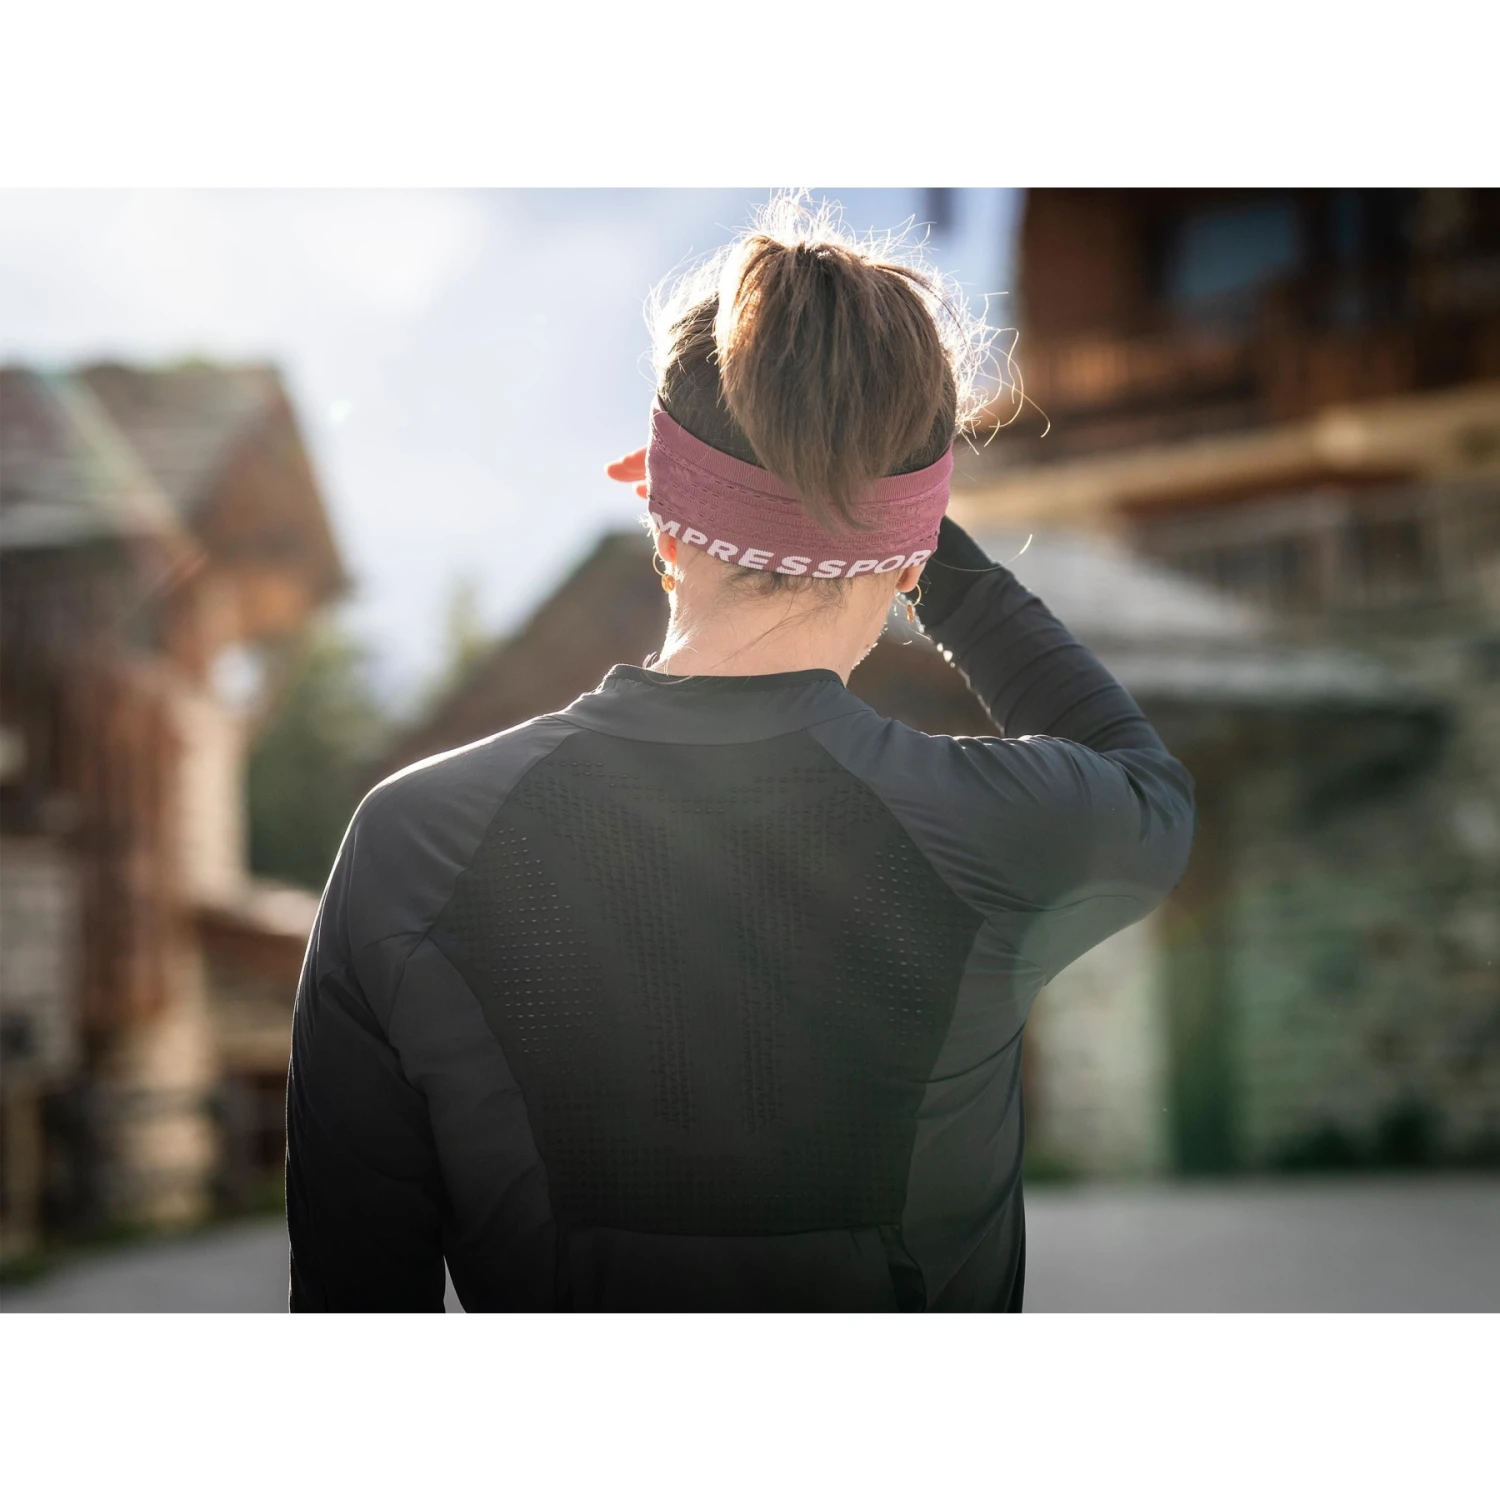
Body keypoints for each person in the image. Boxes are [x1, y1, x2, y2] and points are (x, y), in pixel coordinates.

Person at [285, 197, 1196, 1312]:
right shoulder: (1002, 826)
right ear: (909, 554)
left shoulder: (414, 841)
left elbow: (350, 1300)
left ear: (662, 522)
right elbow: (1147, 782)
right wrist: (918, 540)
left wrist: (865, 515)